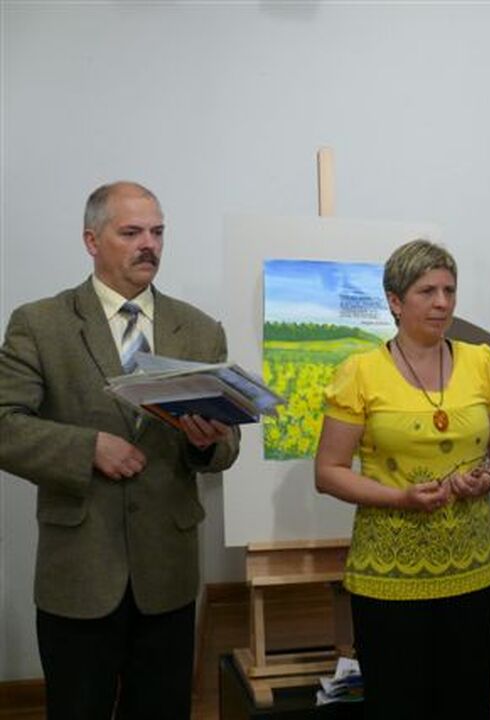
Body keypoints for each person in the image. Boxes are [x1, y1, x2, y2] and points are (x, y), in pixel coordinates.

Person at [0, 181, 241, 719]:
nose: (148, 244)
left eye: (157, 232)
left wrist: (207, 445)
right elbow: (4, 424)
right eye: (131, 232)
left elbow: (228, 444)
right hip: (79, 571)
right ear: (91, 240)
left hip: (169, 574)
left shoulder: (200, 329)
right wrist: (86, 447)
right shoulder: (40, 324)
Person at [314, 239, 490, 720]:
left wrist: (487, 479)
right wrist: (399, 498)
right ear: (394, 301)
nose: (442, 302)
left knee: (468, 701)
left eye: (449, 290)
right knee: (399, 703)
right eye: (427, 291)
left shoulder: (481, 362)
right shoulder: (360, 372)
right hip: (389, 575)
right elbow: (328, 472)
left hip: (474, 567)